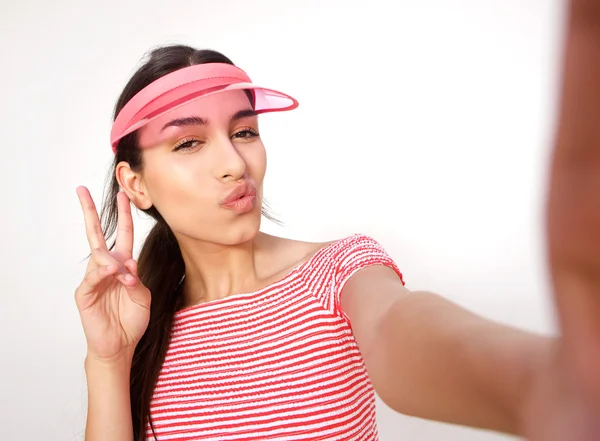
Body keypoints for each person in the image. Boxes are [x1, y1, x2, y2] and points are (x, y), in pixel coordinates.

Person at [74, 1, 600, 439]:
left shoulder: (338, 271)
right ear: (135, 183)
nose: (234, 164)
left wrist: (542, 385)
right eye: (189, 142)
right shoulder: (140, 324)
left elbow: (402, 331)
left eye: (245, 132)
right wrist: (108, 360)